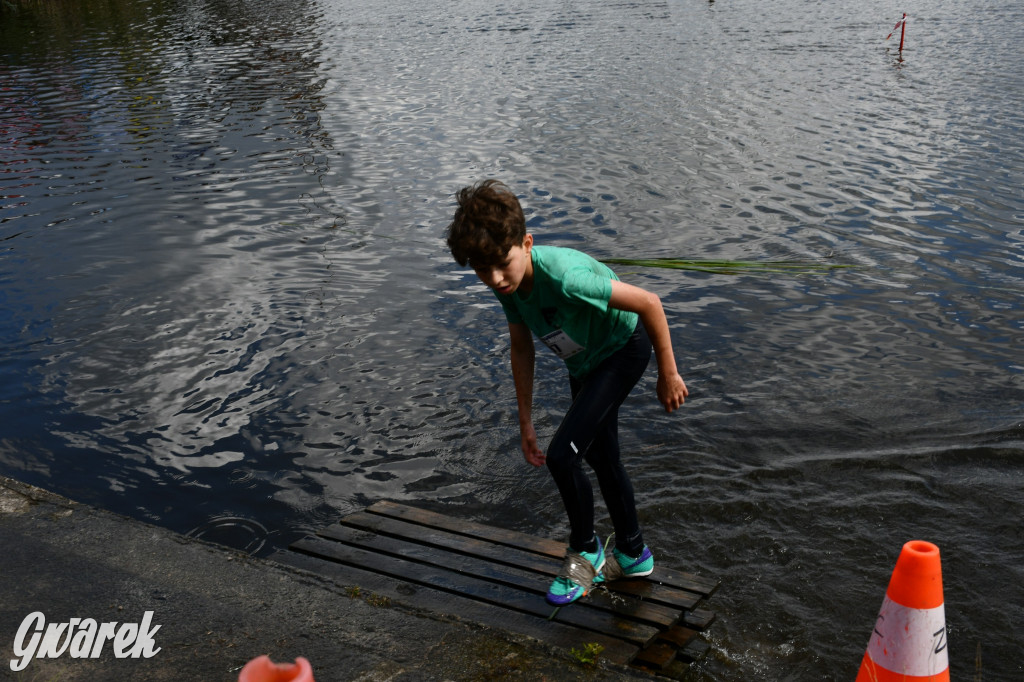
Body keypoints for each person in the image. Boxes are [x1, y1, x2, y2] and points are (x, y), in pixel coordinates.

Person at [446, 179, 689, 606]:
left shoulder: (566, 278)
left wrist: (667, 373)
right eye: (483, 271)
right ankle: (633, 554)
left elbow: (650, 302)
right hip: (586, 361)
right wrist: (525, 420)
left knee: (563, 455)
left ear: (527, 242)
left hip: (622, 349)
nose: (495, 279)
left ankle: (585, 552)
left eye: (502, 263)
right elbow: (521, 347)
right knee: (600, 455)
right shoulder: (507, 286)